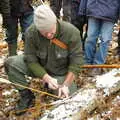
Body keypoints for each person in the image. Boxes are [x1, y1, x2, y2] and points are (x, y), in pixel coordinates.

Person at [5, 5, 84, 112]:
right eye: (44, 32)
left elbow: (77, 62)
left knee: (67, 101)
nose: (48, 34)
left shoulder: (71, 32)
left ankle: (56, 87)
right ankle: (26, 96)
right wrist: (46, 77)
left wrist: (66, 84)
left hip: (60, 73)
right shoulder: (31, 33)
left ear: (55, 22)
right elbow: (30, 60)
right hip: (40, 68)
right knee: (11, 63)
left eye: (51, 30)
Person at [79, 0, 120, 75]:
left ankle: (98, 65)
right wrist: (82, 10)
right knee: (90, 38)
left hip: (111, 12)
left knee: (105, 40)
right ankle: (87, 62)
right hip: (94, 9)